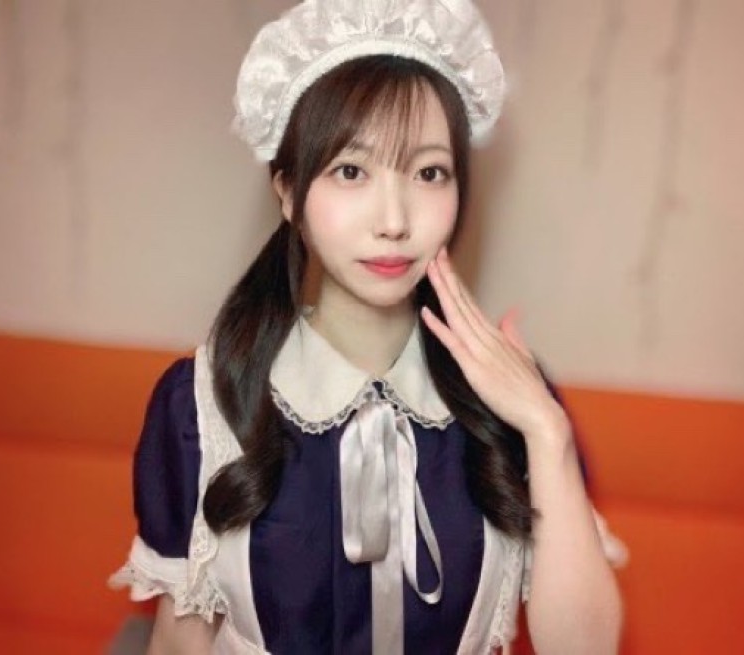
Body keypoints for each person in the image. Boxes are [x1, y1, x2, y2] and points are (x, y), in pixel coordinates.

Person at [110, 0, 626, 653]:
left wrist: (547, 432)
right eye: (351, 171)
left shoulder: (515, 398)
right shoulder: (202, 405)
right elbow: (179, 642)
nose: (394, 219)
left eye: (429, 172)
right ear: (289, 191)